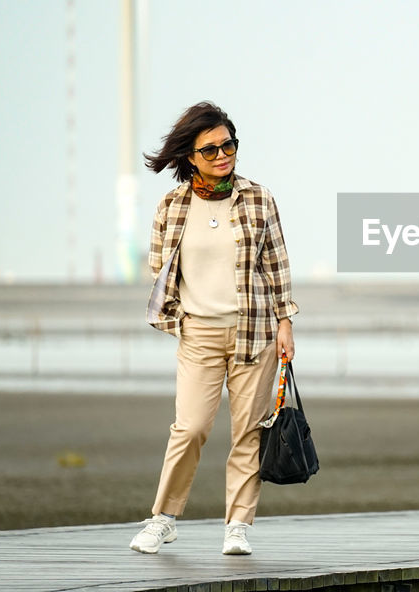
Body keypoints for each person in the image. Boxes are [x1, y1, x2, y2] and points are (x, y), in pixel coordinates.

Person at [129, 101, 299, 555]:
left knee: (248, 431)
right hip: (198, 334)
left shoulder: (259, 199)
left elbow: (276, 265)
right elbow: (159, 269)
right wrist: (176, 317)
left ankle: (237, 526)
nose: (223, 155)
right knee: (190, 428)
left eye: (229, 145)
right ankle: (163, 518)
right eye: (211, 150)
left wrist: (285, 321)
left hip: (254, 333)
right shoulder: (172, 206)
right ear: (190, 156)